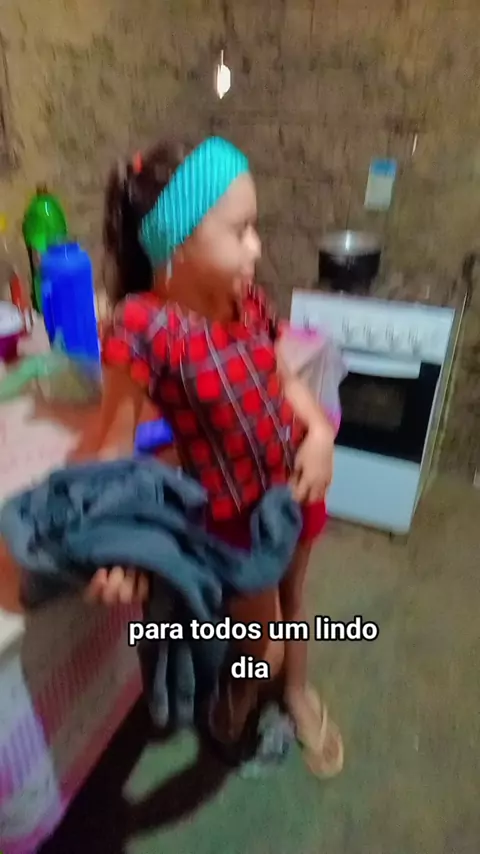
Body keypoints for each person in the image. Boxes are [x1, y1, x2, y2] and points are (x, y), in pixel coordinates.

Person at [80, 136, 343, 777]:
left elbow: (282, 377)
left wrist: (318, 435)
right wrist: (117, 543)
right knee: (260, 642)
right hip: (237, 520)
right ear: (178, 240)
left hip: (296, 484)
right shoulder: (144, 326)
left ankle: (296, 693)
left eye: (255, 228)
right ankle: (240, 699)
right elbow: (111, 448)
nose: (257, 247)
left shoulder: (242, 298)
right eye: (240, 230)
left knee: (296, 601)